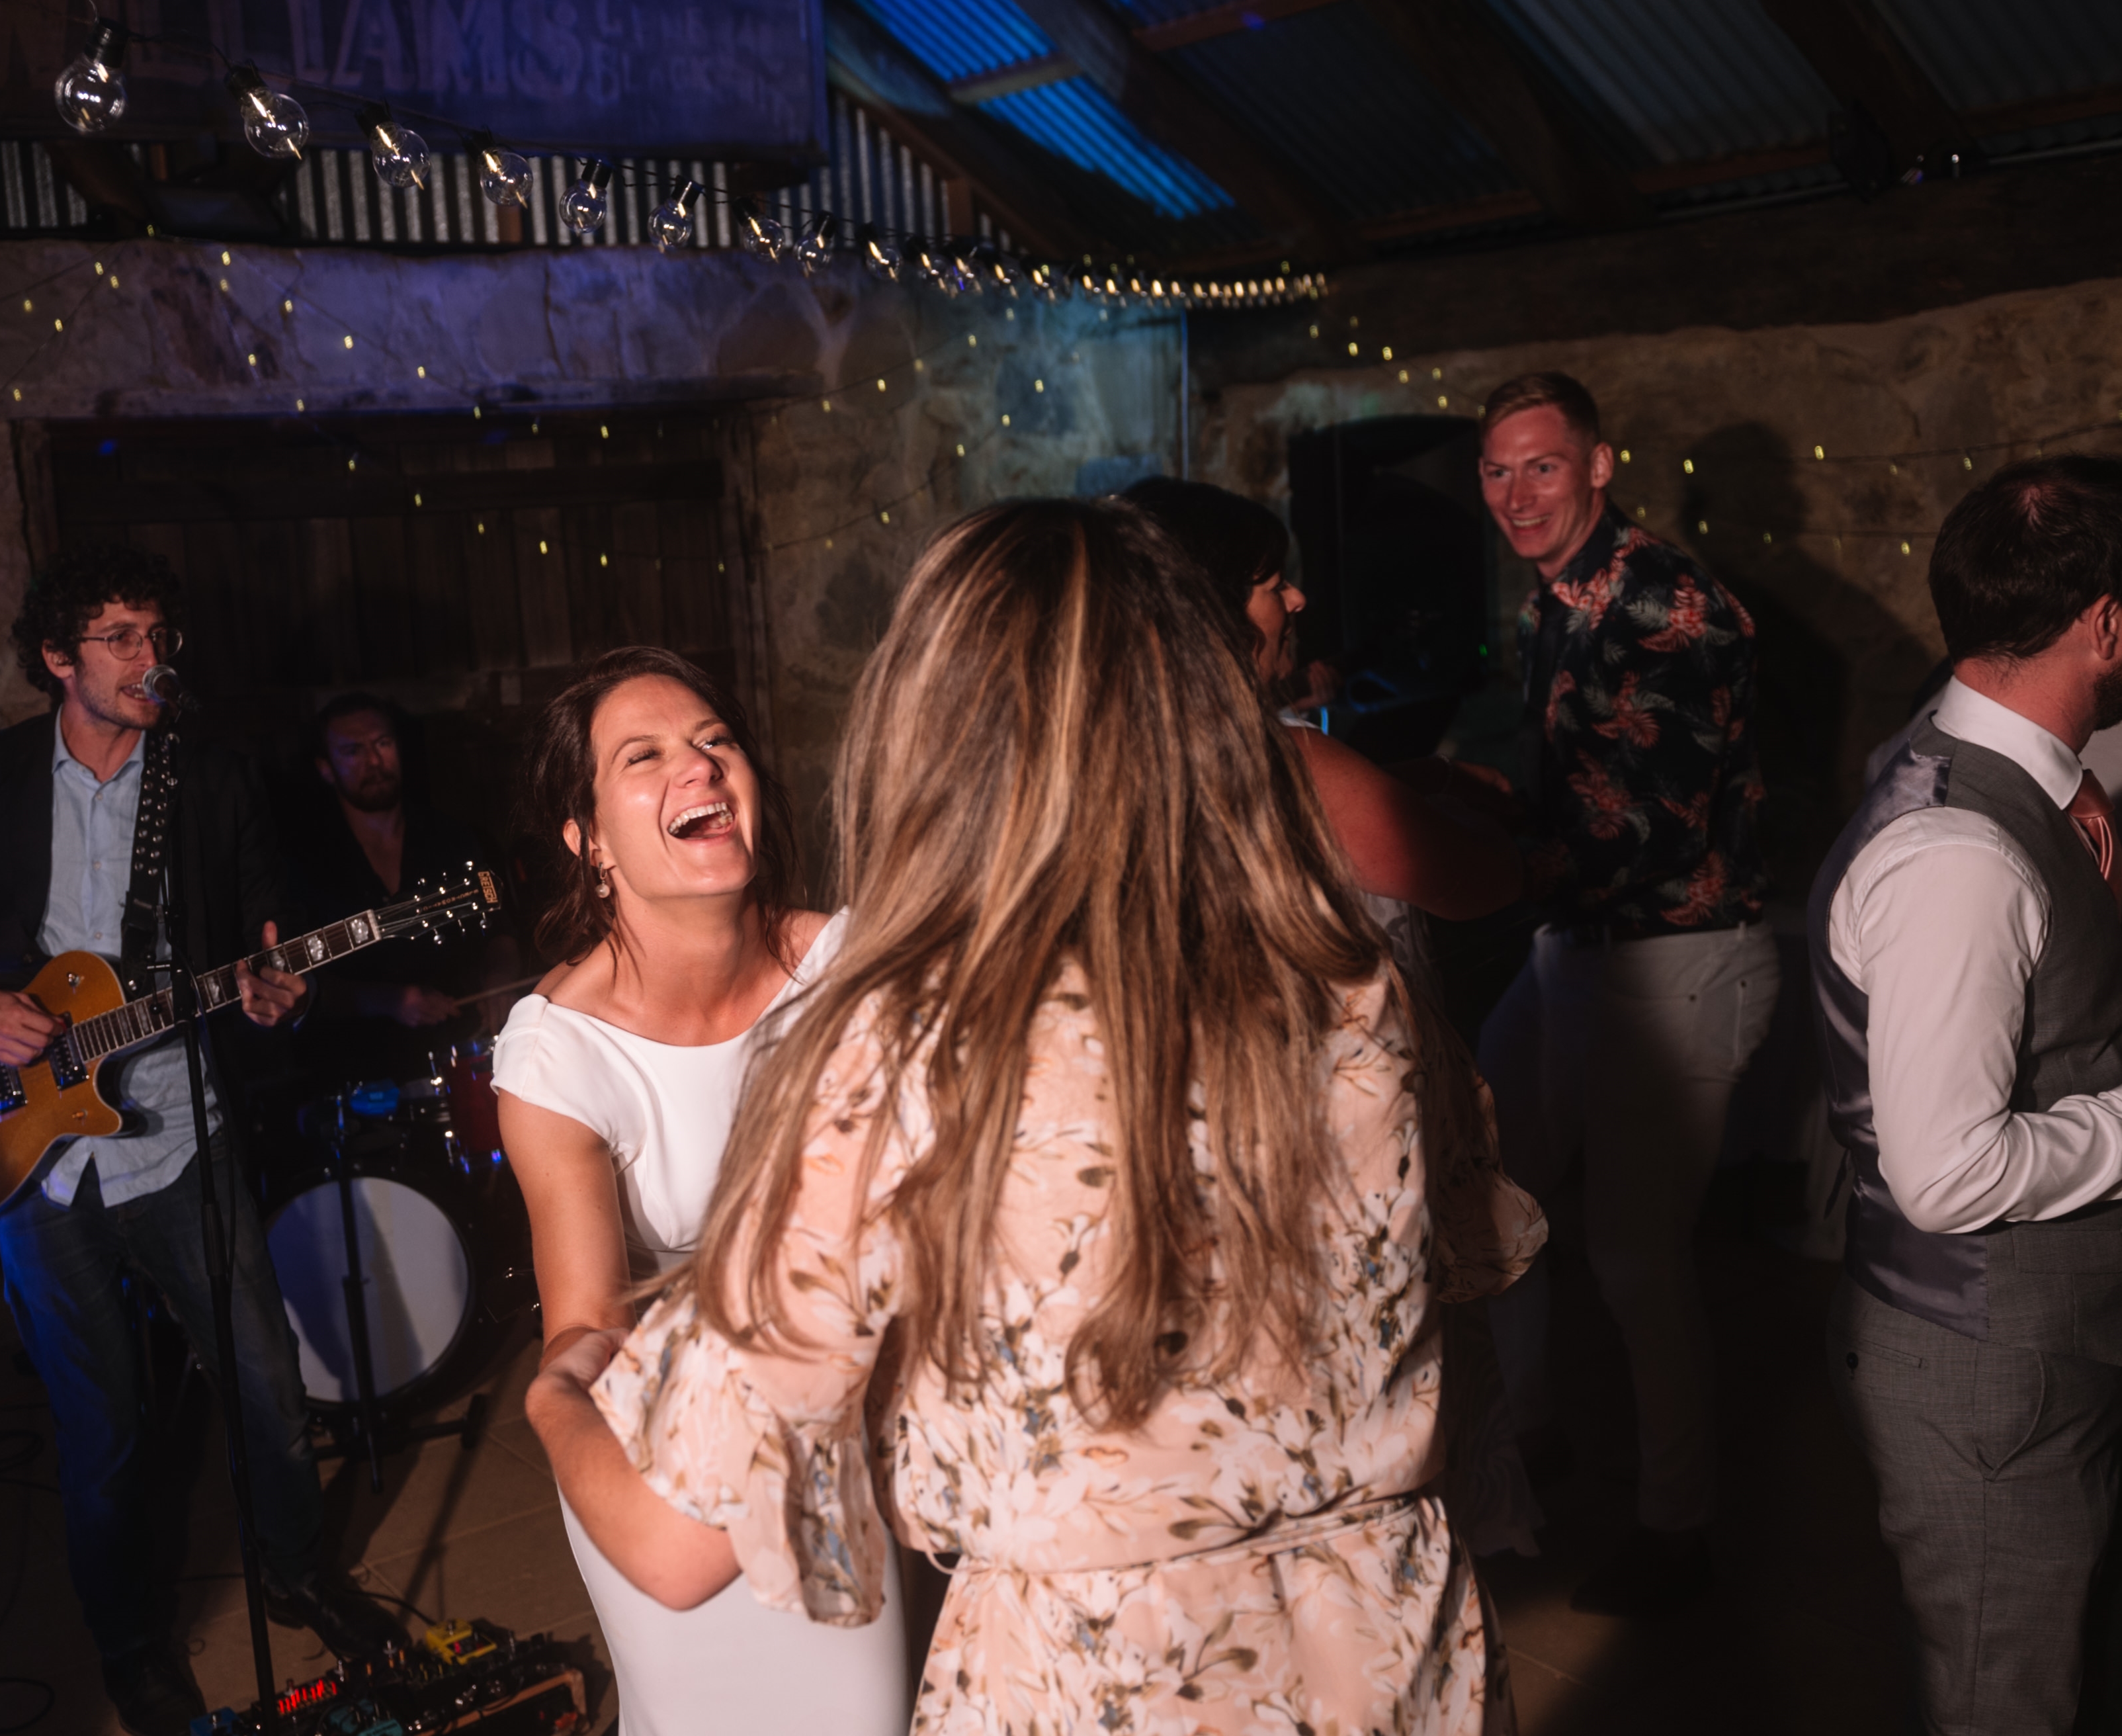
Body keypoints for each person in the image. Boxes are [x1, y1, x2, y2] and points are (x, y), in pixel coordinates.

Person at [525, 502, 1543, 1733]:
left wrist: (555, 1398)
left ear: (933, 732)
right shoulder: (1347, 980)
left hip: (1110, 1681)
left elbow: (675, 1543)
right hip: (1393, 1656)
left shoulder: (902, 1046)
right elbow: (1453, 1269)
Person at [0, 547, 403, 1736]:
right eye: (120, 638)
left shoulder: (212, 777)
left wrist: (277, 986)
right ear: (59, 659)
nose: (151, 659)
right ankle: (133, 1646)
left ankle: (297, 1571)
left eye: (159, 635)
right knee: (104, 1431)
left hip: (180, 1134)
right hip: (34, 1160)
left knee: (266, 1382)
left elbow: (266, 930)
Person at [488, 646, 912, 1736]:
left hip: (832, 1429)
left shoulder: (850, 969)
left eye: (714, 740)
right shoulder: (558, 1054)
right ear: (588, 839)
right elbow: (585, 1323)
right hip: (664, 1456)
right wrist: (555, 1396)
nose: (699, 766)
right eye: (643, 756)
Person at [1812, 456, 2122, 1736]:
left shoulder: (2020, 780)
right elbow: (1946, 1170)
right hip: (1990, 1365)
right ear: (2107, 623)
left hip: (2039, 1342)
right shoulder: (1957, 850)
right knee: (2007, 1701)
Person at [1471, 370, 1776, 1615]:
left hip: (1673, 957)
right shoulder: (1554, 595)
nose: (1516, 494)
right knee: (1486, 1183)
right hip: (1573, 950)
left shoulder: (1664, 603)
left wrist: (1459, 867)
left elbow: (1647, 827)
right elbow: (1568, 783)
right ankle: (1531, 1429)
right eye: (1496, 470)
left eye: (1541, 465)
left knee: (1636, 1257)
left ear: (1599, 466)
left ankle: (1675, 1531)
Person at [1119, 478, 1523, 959]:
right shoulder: (1283, 757)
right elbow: (1479, 881)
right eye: (1275, 586)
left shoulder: (1137, 745)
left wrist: (1434, 776)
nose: (1297, 599)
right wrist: (1503, 835)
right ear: (1215, 614)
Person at [284, 691, 523, 1090]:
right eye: (353, 751)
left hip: (464, 1059)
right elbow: (297, 984)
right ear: (326, 768)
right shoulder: (303, 862)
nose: (374, 762)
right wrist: (387, 1000)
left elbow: (501, 931)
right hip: (358, 1078)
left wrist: (500, 978)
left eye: (383, 744)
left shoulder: (455, 839)